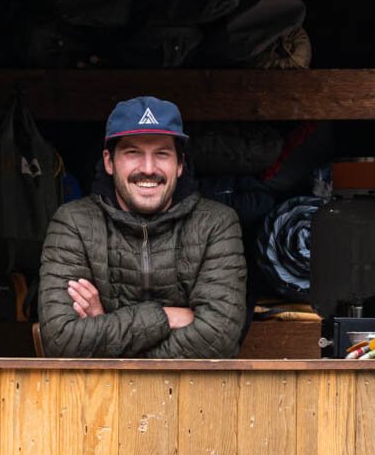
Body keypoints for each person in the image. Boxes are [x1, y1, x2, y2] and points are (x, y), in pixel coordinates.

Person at [37, 96, 246, 358]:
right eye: (133, 152)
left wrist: (104, 327)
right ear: (109, 161)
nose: (148, 169)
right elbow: (61, 340)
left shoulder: (216, 223)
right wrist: (165, 317)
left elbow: (217, 339)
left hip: (194, 395)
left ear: (180, 164)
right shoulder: (74, 223)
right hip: (98, 397)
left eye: (162, 153)